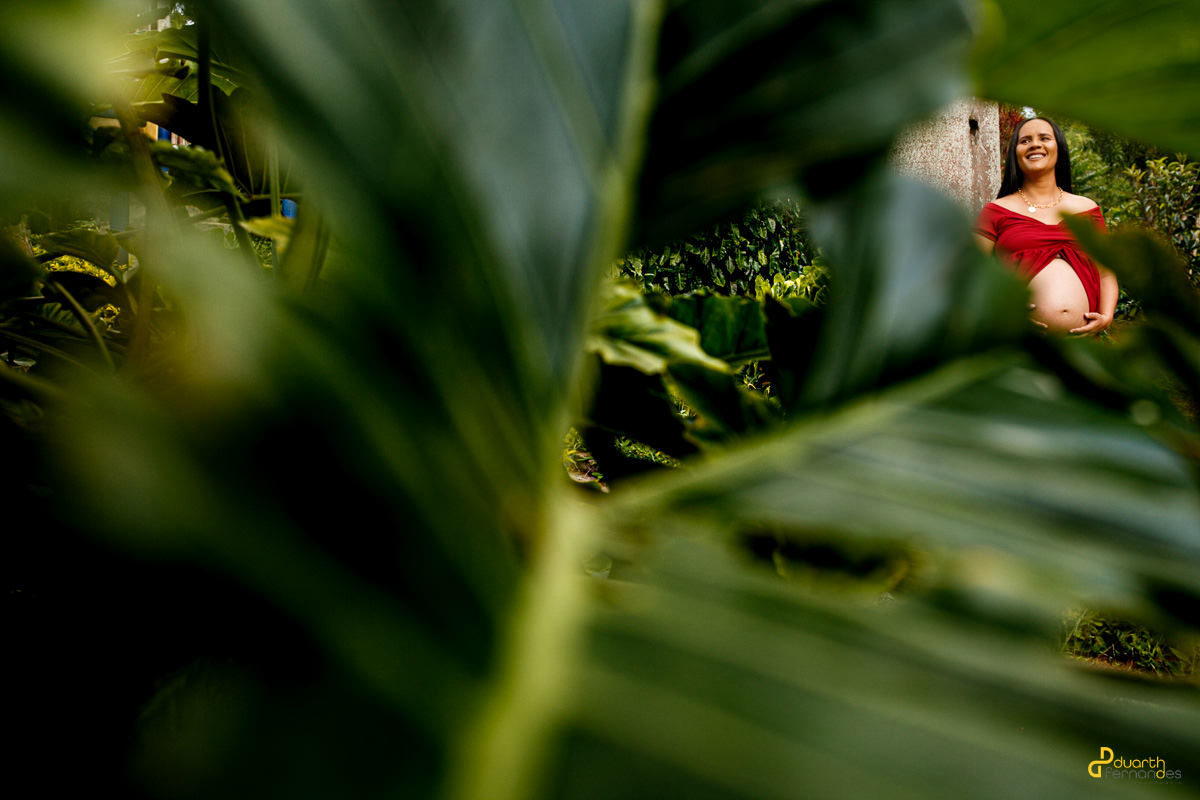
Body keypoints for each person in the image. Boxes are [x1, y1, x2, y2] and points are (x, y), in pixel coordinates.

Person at [974, 117, 1118, 335]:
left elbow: (1106, 272)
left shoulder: (1087, 209)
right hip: (1020, 345)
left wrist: (1106, 317)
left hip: (1083, 348)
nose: (1035, 144)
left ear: (1058, 148)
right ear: (1015, 153)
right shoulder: (996, 211)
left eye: (1044, 138)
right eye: (1025, 141)